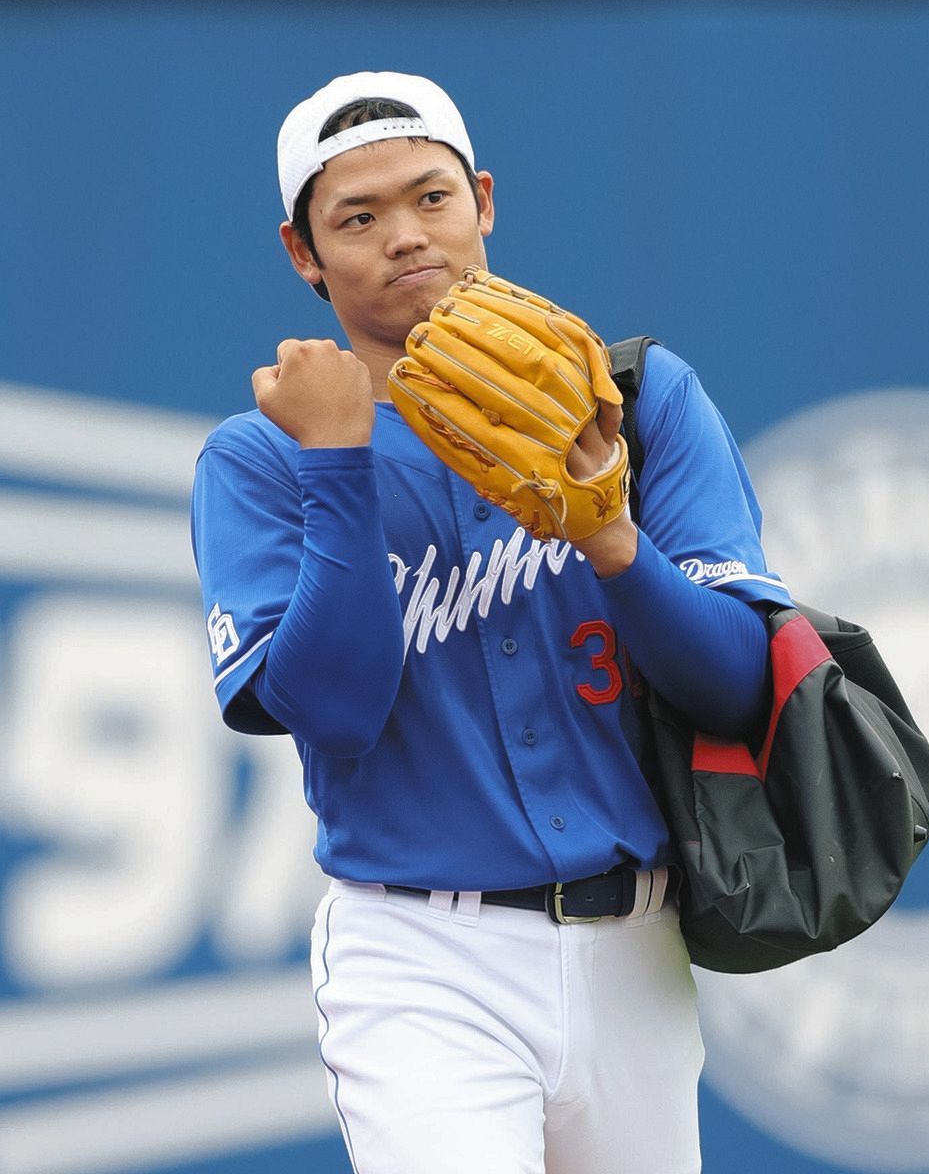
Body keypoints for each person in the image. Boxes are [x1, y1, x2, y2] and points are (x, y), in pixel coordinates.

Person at [191, 70, 792, 1174]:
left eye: (430, 198)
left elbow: (737, 689)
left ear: (483, 199)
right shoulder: (262, 455)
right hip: (422, 951)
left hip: (636, 950)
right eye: (356, 218)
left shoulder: (634, 401)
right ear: (302, 253)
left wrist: (609, 533)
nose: (403, 237)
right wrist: (338, 462)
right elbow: (333, 709)